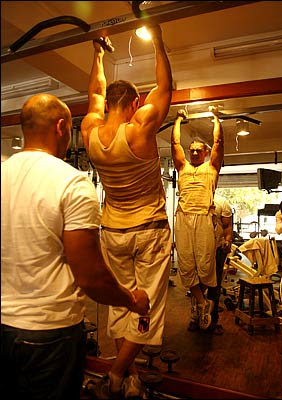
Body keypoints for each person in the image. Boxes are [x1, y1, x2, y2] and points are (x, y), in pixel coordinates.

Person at [1, 93, 150, 400]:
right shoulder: (71, 182)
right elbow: (91, 277)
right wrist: (131, 300)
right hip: (49, 333)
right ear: (60, 127)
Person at [81, 25, 172, 399]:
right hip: (149, 229)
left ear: (108, 105)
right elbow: (166, 89)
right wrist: (160, 43)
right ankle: (117, 375)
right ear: (135, 104)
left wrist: (99, 54)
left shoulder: (90, 133)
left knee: (122, 303)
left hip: (113, 232)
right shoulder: (139, 131)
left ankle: (130, 378)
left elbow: (93, 94)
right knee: (146, 306)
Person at [171, 108, 224, 332]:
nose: (193, 153)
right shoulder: (182, 167)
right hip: (183, 217)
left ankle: (203, 305)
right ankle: (202, 303)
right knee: (185, 264)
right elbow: (175, 145)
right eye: (191, 150)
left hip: (203, 217)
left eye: (197, 150)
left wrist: (215, 118)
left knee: (204, 265)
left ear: (205, 153)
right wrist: (178, 120)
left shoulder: (211, 168)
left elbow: (219, 141)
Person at [206, 193, 233, 335]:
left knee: (214, 284)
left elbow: (227, 226)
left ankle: (212, 320)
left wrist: (228, 241)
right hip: (199, 249)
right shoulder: (194, 202)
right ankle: (196, 318)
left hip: (217, 249)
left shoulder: (222, 202)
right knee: (196, 283)